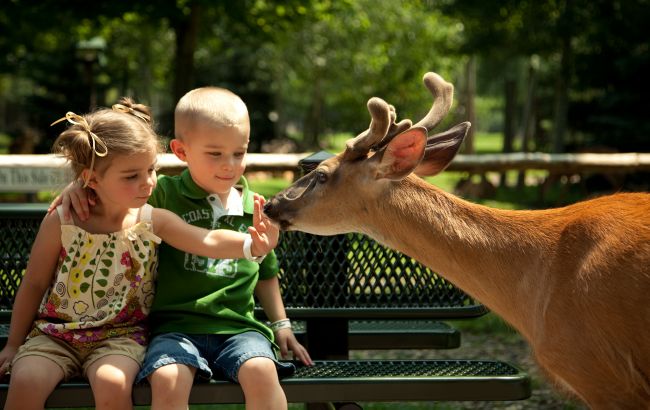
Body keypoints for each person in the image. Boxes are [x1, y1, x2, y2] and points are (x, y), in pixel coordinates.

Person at [0, 99, 278, 410]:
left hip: (121, 337)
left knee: (113, 383)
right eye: (132, 176)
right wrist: (13, 344)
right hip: (55, 335)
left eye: (151, 170)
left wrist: (249, 246)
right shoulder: (62, 221)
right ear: (91, 179)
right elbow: (34, 283)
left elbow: (205, 240)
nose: (147, 182)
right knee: (25, 382)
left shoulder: (151, 218)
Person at [52, 87, 313, 410]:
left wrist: (281, 324)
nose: (229, 165)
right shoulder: (163, 195)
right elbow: (116, 186)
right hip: (174, 329)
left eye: (239, 153)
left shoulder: (254, 206)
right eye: (215, 154)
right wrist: (77, 185)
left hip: (239, 329)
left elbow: (266, 273)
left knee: (261, 371)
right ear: (181, 151)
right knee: (168, 379)